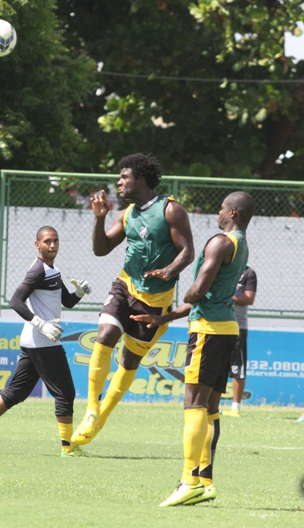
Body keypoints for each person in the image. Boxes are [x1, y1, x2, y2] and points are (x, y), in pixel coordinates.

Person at [132, 191, 255, 507]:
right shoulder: (241, 246)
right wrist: (165, 317)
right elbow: (211, 295)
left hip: (208, 333)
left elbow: (198, 291)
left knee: (193, 403)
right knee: (210, 408)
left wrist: (176, 283)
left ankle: (189, 481)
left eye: (222, 208)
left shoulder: (221, 242)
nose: (218, 212)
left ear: (233, 213)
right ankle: (206, 481)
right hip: (226, 329)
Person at [70, 153, 194, 446]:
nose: (119, 182)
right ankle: (90, 409)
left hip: (155, 302)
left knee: (128, 361)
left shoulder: (171, 210)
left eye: (124, 177)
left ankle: (100, 420)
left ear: (140, 179)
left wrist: (169, 270)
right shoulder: (125, 213)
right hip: (125, 285)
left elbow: (187, 251)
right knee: (106, 334)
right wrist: (99, 219)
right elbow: (101, 250)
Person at [0, 226, 92, 457]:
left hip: (35, 342)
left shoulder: (52, 270)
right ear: (37, 245)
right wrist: (41, 323)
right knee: (65, 393)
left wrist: (80, 293)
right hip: (43, 341)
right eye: (47, 241)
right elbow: (16, 301)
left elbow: (67, 301)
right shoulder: (37, 271)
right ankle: (68, 447)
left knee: (16, 392)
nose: (52, 245)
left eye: (55, 241)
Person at [227, 266, 257, 417]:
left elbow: (249, 298)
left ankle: (235, 407)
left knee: (238, 368)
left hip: (238, 326)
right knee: (215, 367)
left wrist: (225, 296)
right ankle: (209, 406)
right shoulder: (217, 267)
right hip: (216, 324)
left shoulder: (248, 273)